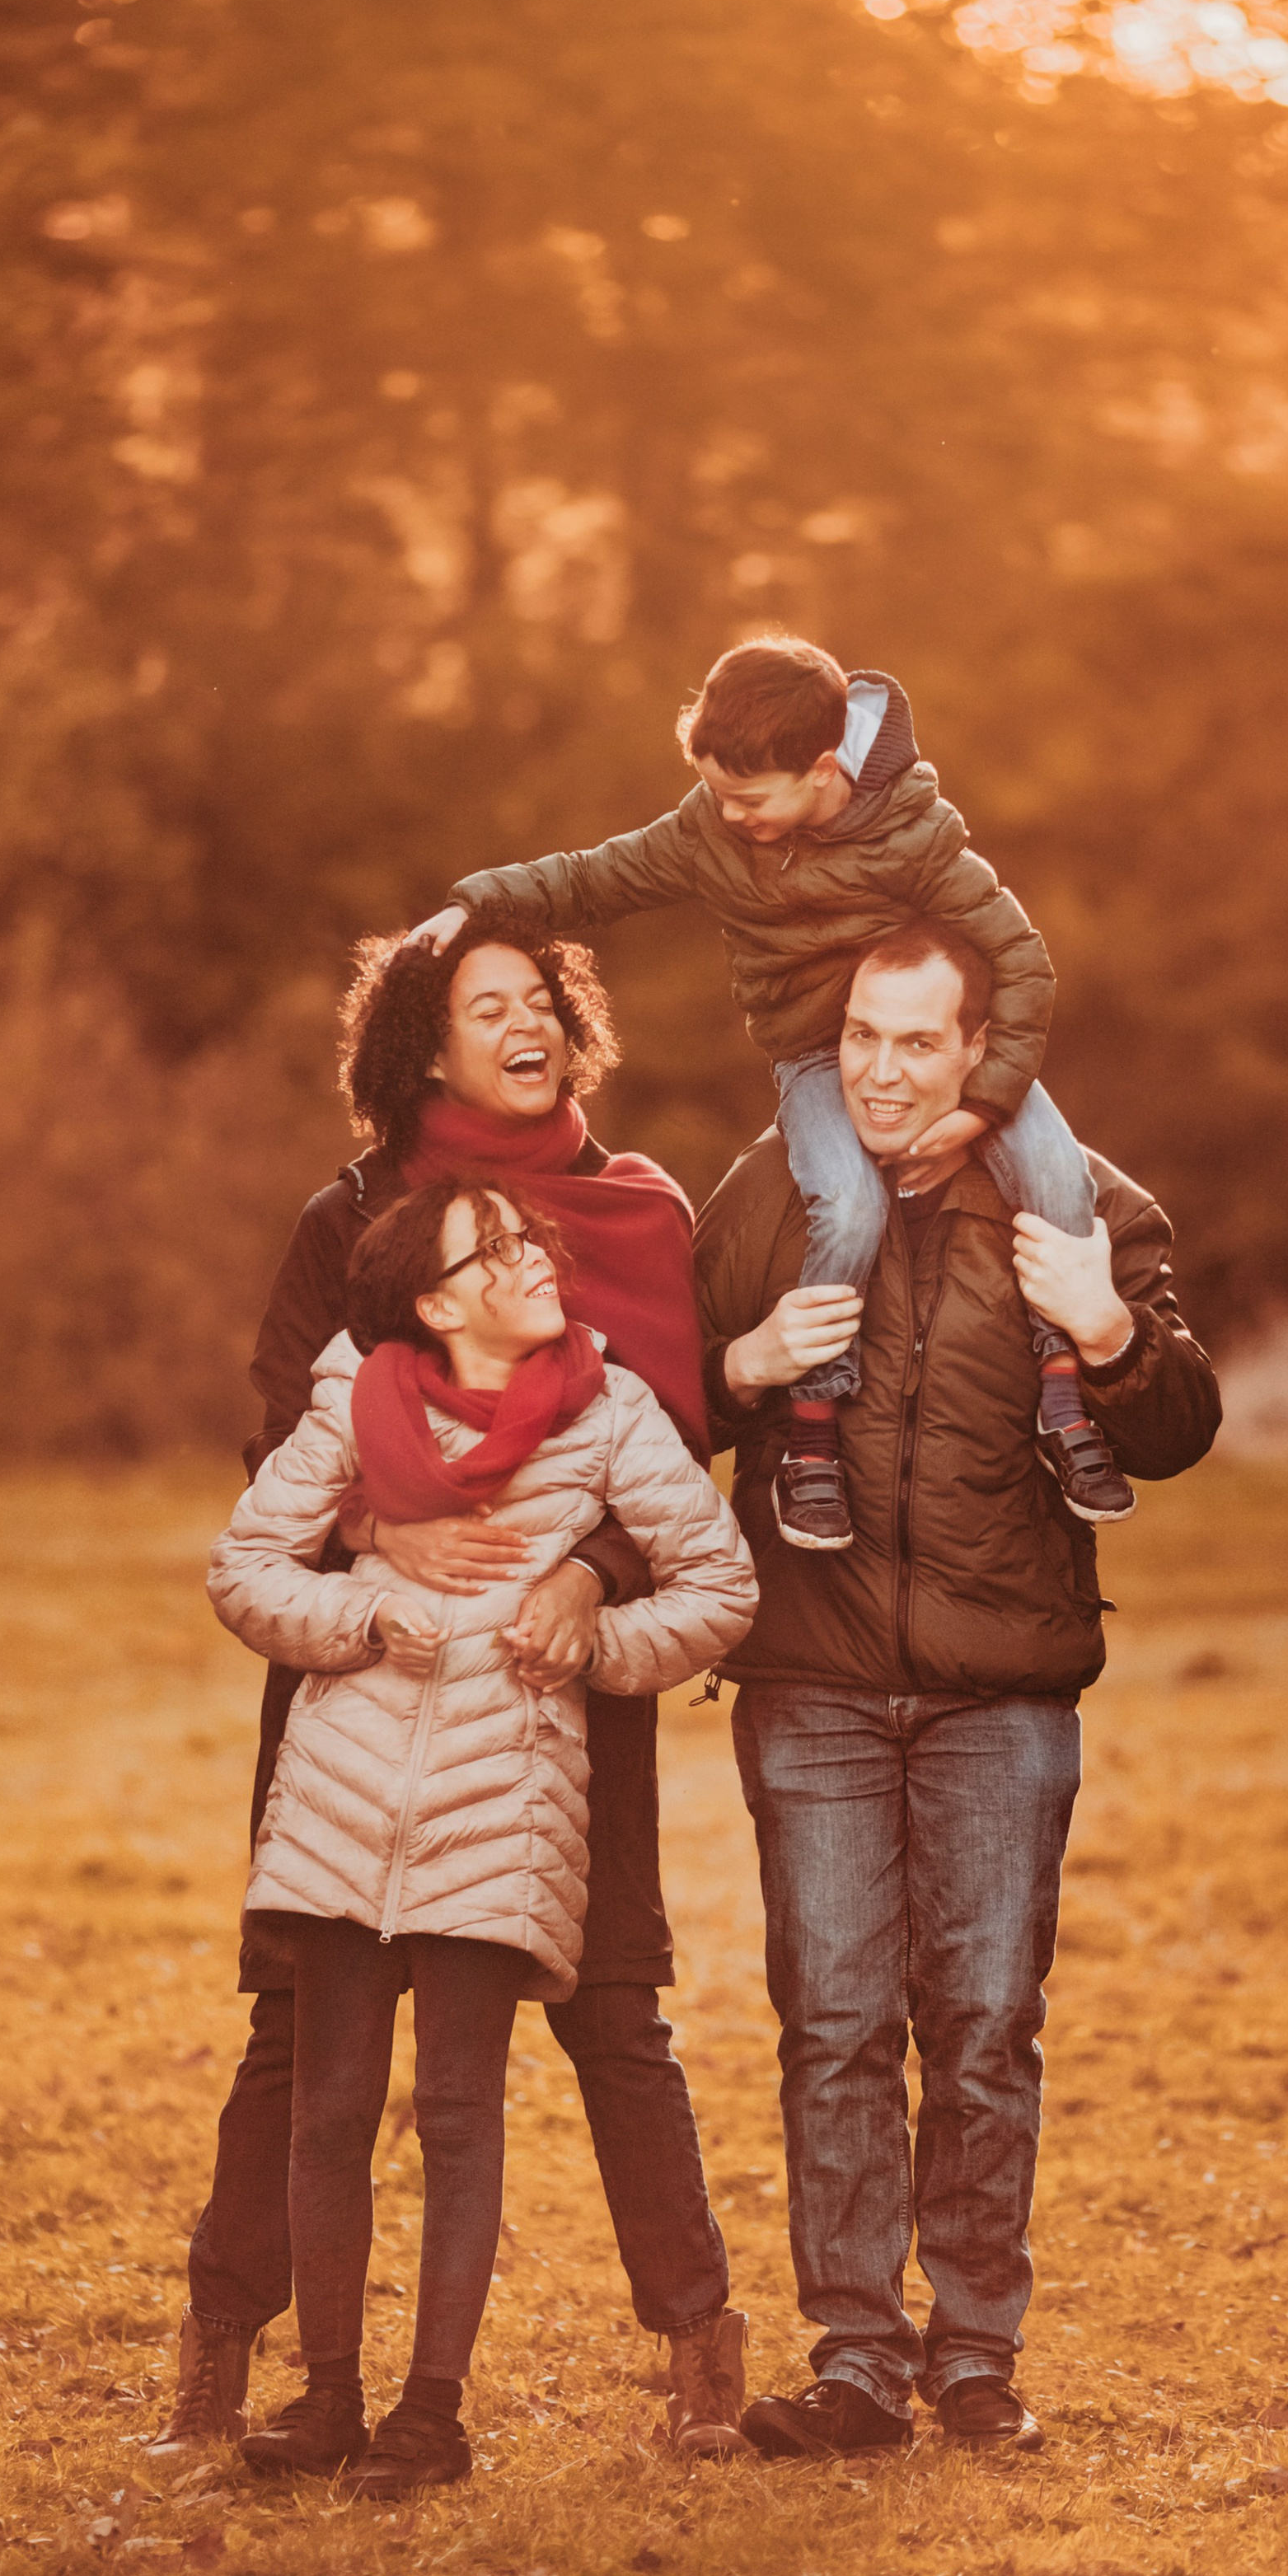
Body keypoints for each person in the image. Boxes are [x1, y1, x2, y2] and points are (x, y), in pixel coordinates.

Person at [157, 914, 756, 2466]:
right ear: (424, 1042)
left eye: (545, 997)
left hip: (556, 1689)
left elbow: (673, 1448)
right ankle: (225, 2356)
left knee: (612, 2008)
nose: (529, 1020)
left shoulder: (630, 1210)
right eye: (490, 1004)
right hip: (368, 1675)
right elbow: (279, 1447)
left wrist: (594, 1580)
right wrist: (377, 1534)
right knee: (300, 2032)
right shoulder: (354, 1214)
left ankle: (701, 2350)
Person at [693, 916, 1220, 2459]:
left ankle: (976, 2354)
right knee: (835, 2020)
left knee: (984, 2021)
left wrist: (1110, 1329)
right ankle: (857, 2357)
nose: (881, 1069)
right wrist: (742, 1359)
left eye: (918, 1040)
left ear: (981, 1048)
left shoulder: (1086, 1206)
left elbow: (1181, 1424)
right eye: (861, 1035)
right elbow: (652, 1392)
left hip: (1006, 1692)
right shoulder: (770, 1193)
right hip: (813, 1684)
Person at [410, 630, 1136, 1552]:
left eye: (747, 797)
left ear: (823, 768)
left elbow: (1023, 965)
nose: (728, 812)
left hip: (930, 1056)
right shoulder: (709, 833)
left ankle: (1064, 1404)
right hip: (814, 1057)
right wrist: (472, 903)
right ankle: (813, 1434)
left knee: (1060, 1182)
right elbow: (592, 878)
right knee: (849, 1209)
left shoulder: (914, 833)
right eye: (715, 790)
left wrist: (982, 1103)